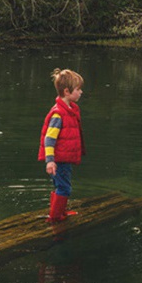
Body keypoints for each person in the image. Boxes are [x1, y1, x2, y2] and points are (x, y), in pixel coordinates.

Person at [38, 68, 86, 223]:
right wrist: (50, 160)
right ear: (67, 91)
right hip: (58, 160)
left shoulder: (69, 110)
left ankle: (59, 212)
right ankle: (55, 217)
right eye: (78, 89)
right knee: (65, 188)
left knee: (60, 186)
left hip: (64, 159)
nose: (81, 92)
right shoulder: (58, 114)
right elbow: (49, 140)